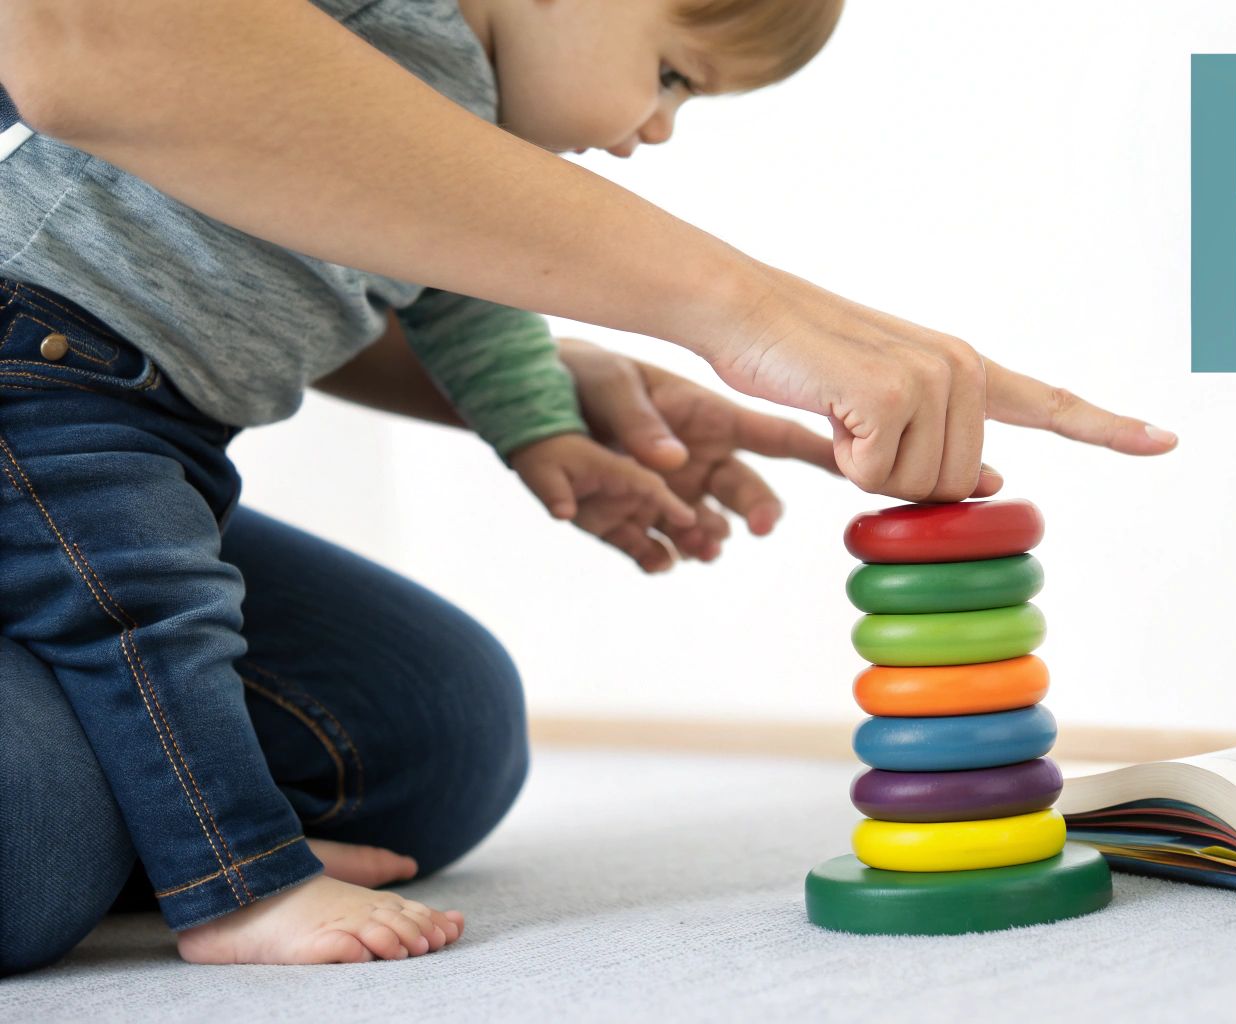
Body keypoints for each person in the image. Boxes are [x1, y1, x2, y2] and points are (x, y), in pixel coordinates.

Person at [0, 0, 1176, 969]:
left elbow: (450, 278)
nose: (657, 129)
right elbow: (100, 36)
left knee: (422, 723)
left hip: (136, 400)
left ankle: (186, 812)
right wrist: (741, 309)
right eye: (668, 73)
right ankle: (235, 880)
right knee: (138, 628)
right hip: (50, 368)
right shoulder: (378, 18)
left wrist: (543, 422)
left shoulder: (438, 108)